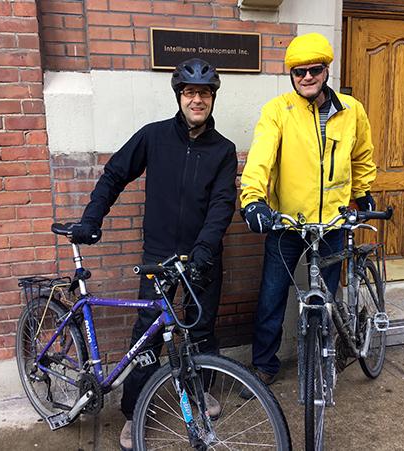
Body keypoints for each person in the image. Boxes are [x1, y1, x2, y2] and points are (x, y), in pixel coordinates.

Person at [70, 58, 237, 451]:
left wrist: (202, 252)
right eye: (191, 93)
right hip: (159, 256)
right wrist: (92, 218)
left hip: (203, 256)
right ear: (180, 96)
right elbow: (114, 174)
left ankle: (199, 395)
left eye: (205, 94)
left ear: (213, 99)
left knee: (201, 330)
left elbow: (222, 205)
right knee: (146, 337)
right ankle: (134, 412)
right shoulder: (154, 136)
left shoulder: (224, 150)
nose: (198, 100)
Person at [240, 32, 377, 389]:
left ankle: (321, 358)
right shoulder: (278, 111)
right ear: (290, 75)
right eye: (298, 72)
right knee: (272, 296)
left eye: (314, 70)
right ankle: (264, 366)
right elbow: (260, 159)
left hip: (332, 223)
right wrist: (253, 198)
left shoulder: (352, 111)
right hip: (287, 223)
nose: (306, 78)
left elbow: (361, 156)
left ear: (326, 70)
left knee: (327, 301)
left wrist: (362, 194)